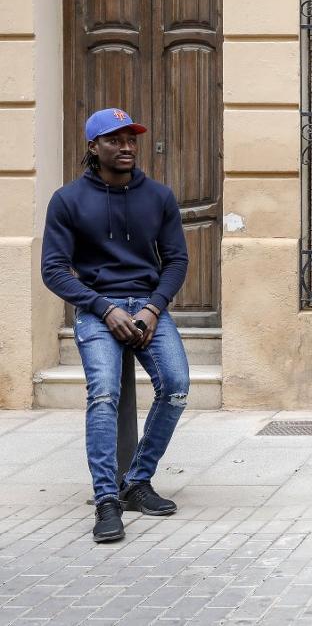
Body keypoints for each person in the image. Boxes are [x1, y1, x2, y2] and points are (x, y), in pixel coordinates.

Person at [41, 108, 191, 542]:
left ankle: (137, 481)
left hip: (147, 306)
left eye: (131, 138)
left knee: (177, 385)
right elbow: (53, 269)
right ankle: (107, 500)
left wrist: (152, 308)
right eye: (114, 139)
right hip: (97, 308)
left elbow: (176, 259)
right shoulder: (68, 200)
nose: (126, 146)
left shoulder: (158, 196)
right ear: (94, 147)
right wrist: (104, 308)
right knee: (104, 393)